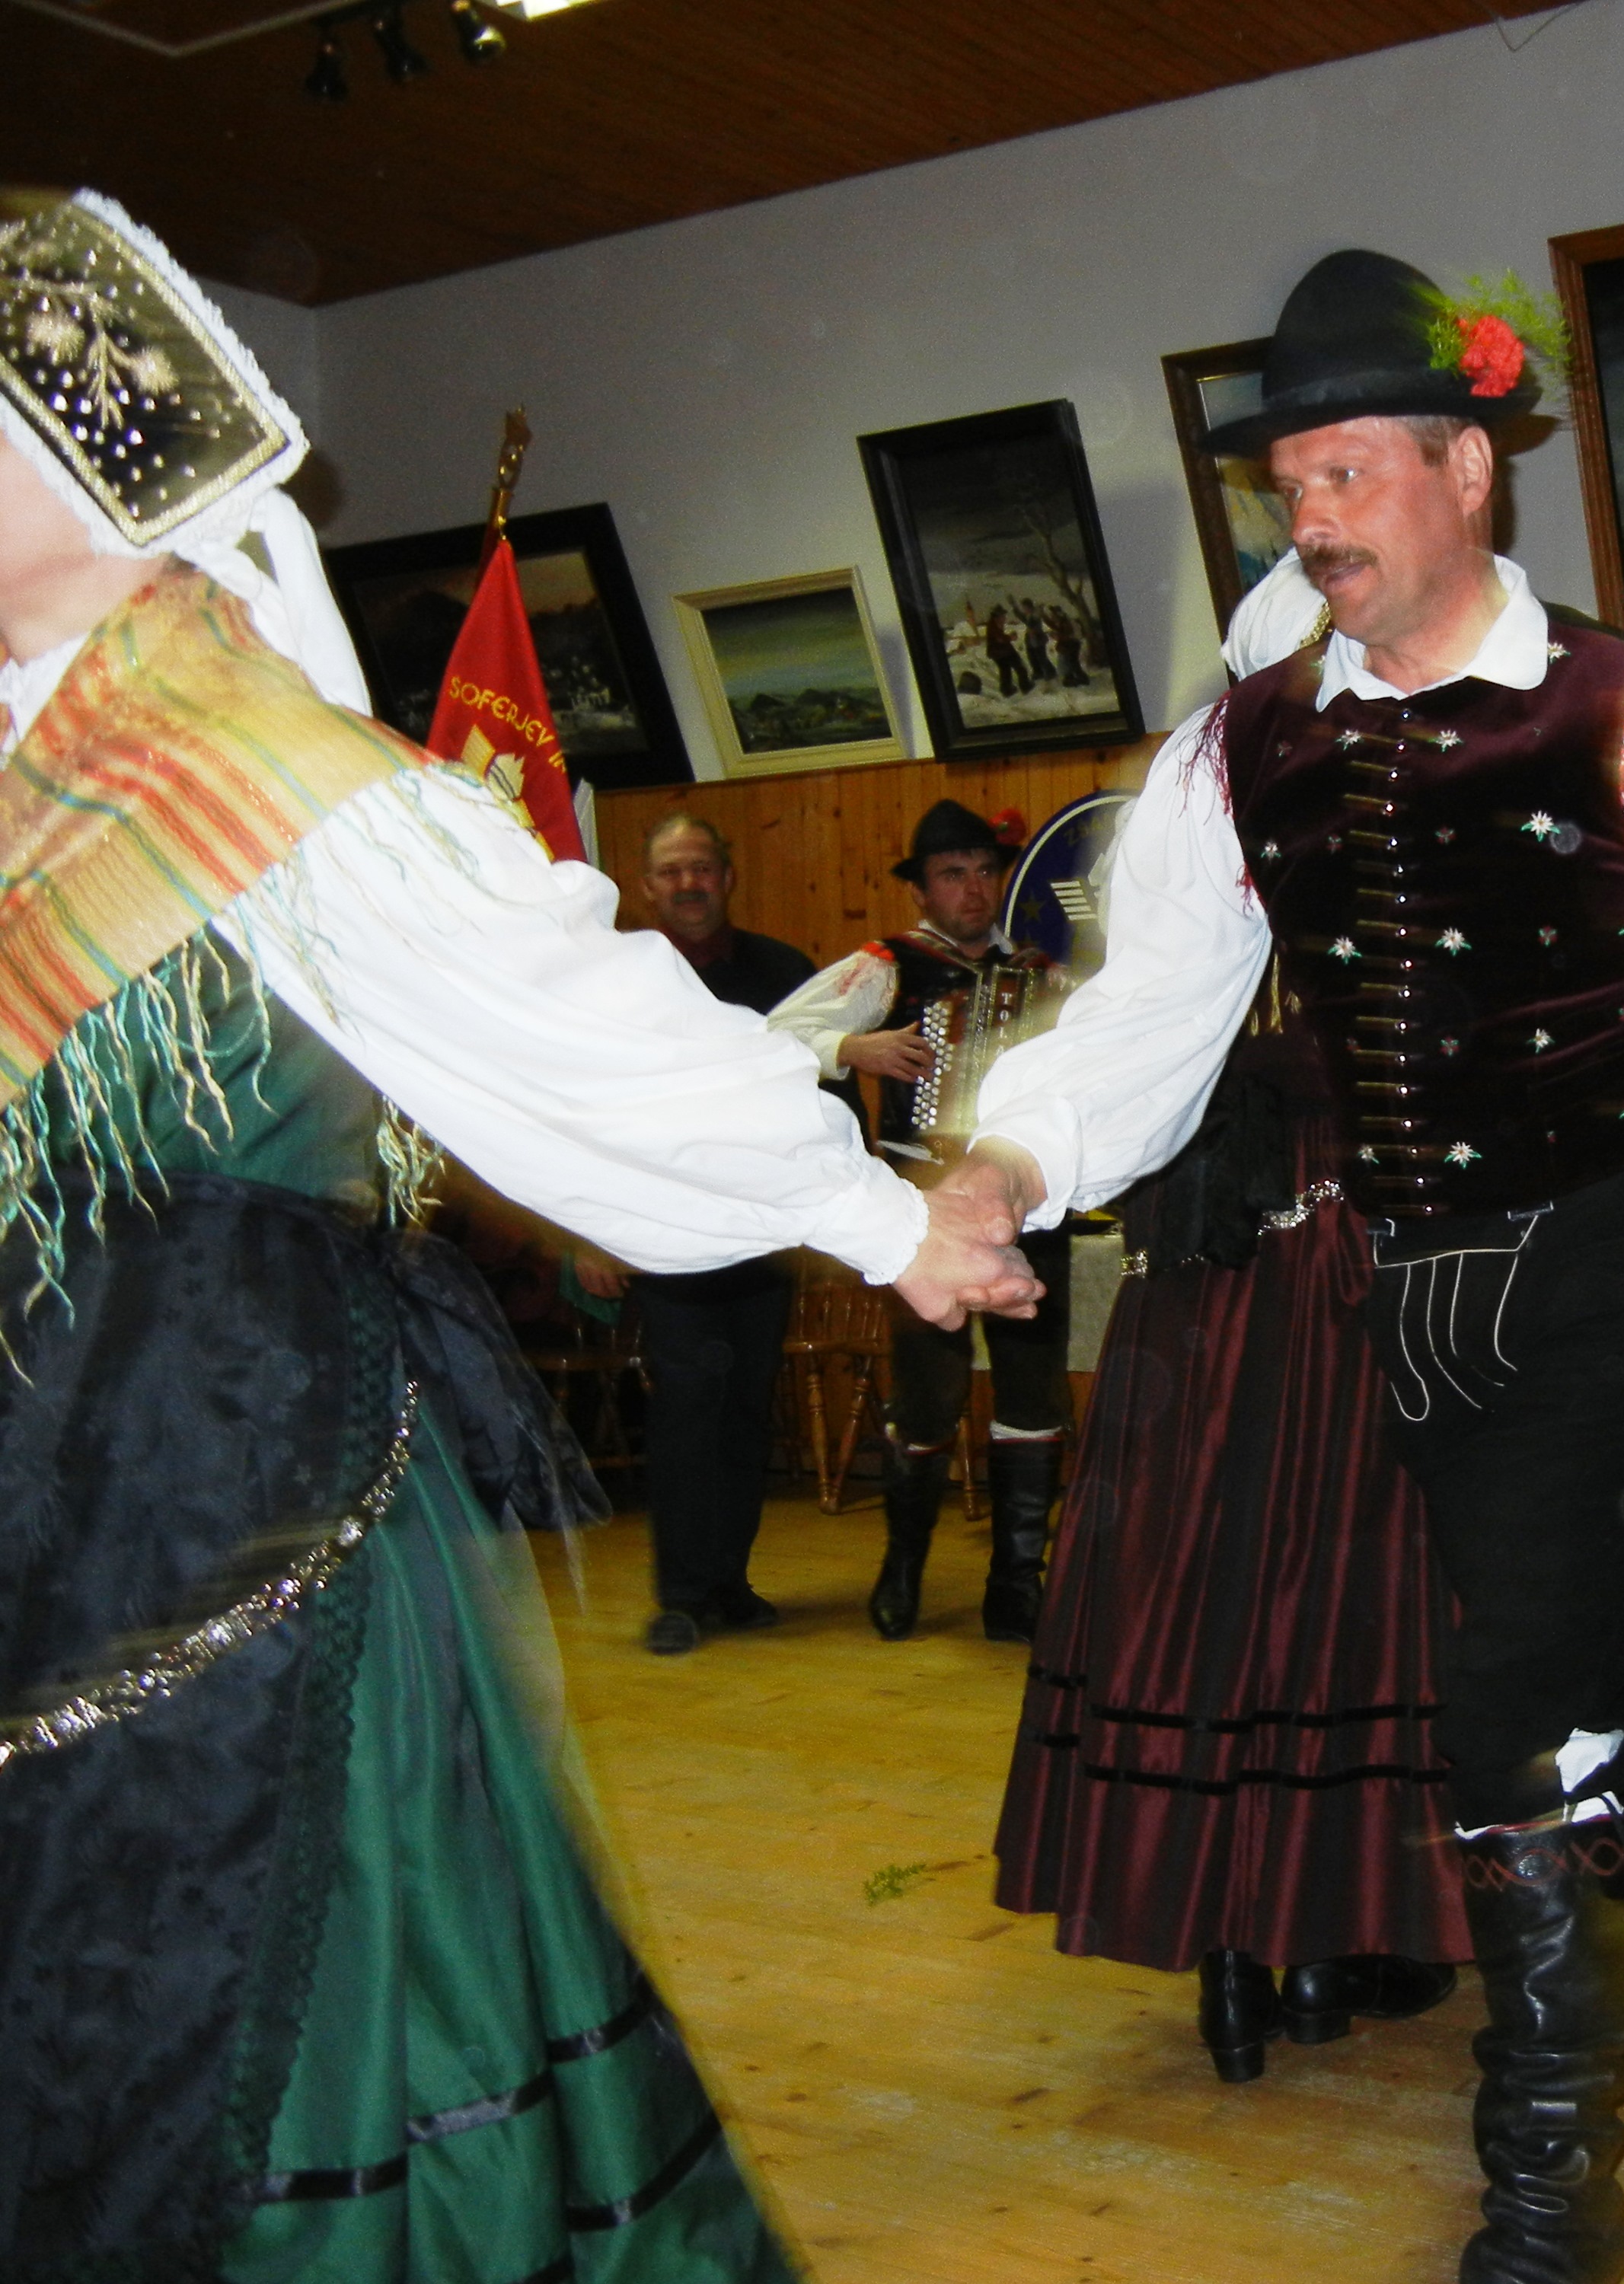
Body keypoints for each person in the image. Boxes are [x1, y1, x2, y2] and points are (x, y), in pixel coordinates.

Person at [0, 187, 1026, 2284]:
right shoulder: (41, 754)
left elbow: (560, 1009)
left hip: (229, 1493)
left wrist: (867, 1213)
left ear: (94, 462)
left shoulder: (250, 766)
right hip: (52, 1498)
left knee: (274, 1986)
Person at [956, 248, 1624, 2282]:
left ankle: (1544, 2201)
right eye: (1290, 485)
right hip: (1415, 1282)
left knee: (1503, 1710)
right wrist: (1012, 1157)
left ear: (1467, 468)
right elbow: (1153, 1012)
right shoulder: (1241, 750)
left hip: (1620, 1259)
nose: (1314, 520)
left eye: (1349, 473)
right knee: (1619, 1676)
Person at [994, 528, 1624, 2087]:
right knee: (1549, 1655)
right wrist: (1007, 1163)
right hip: (1350, 1277)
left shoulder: (1578, 724)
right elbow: (1144, 1018)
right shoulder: (1238, 782)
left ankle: (1529, 2133)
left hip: (1527, 1258)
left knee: (1491, 1680)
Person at [769, 801, 1074, 1643]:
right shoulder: (887, 966)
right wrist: (851, 1050)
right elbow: (775, 1036)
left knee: (1034, 1389)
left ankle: (1016, 1583)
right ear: (922, 889)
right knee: (928, 1391)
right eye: (951, 874)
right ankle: (902, 1567)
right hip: (920, 1206)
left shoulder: (1043, 973)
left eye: (983, 871)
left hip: (1028, 1200)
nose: (972, 889)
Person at [578, 813, 820, 1655]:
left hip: (762, 1233)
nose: (689, 884)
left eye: (702, 868)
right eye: (672, 871)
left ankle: (729, 1583)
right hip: (666, 1235)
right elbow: (587, 1113)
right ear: (647, 887)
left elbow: (820, 1097)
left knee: (747, 1411)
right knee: (687, 1412)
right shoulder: (617, 984)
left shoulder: (784, 974)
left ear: (728, 875)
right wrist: (589, 1230)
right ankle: (681, 1595)